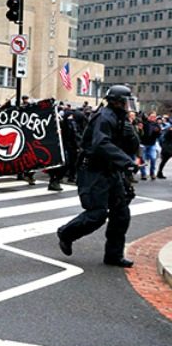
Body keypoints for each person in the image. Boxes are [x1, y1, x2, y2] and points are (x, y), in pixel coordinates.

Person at [57, 85, 139, 268]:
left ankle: (113, 255)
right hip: (93, 171)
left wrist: (130, 132)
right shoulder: (104, 117)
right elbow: (101, 144)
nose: (128, 105)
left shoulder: (120, 118)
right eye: (125, 101)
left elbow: (131, 145)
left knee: (121, 214)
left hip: (110, 170)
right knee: (97, 214)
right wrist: (127, 162)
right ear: (117, 102)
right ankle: (66, 233)